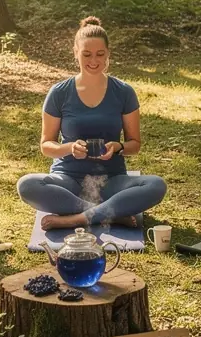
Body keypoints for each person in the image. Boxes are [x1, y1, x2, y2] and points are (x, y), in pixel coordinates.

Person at [16, 17, 167, 229]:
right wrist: (70, 148)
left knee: (156, 185)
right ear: (75, 53)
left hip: (111, 180)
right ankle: (109, 213)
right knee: (27, 185)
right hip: (68, 180)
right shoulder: (59, 93)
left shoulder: (124, 92)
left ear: (108, 54)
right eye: (86, 54)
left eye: (100, 54)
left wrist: (118, 147)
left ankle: (77, 218)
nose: (94, 61)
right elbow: (46, 145)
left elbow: (134, 145)